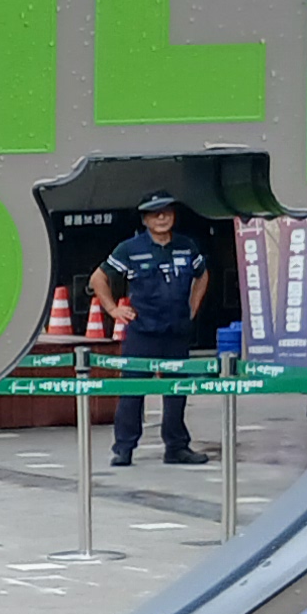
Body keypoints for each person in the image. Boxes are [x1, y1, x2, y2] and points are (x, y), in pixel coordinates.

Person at [94, 191, 216, 467]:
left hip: (176, 332)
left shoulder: (187, 246)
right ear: (145, 219)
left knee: (176, 391)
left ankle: (176, 448)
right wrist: (113, 309)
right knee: (132, 391)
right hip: (142, 332)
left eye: (167, 212)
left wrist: (192, 307)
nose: (162, 218)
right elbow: (98, 278)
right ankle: (124, 448)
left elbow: (202, 275)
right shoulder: (130, 248)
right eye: (155, 213)